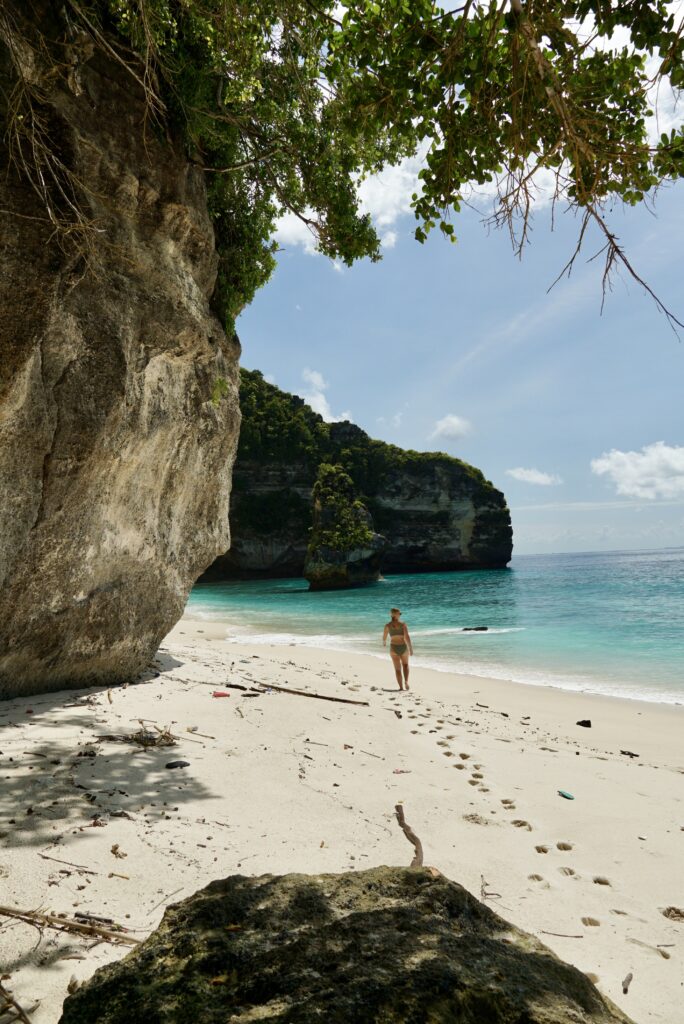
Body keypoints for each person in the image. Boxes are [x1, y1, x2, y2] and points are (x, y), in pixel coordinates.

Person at [382, 607, 413, 691]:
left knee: (397, 669)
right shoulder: (403, 624)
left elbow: (384, 637)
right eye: (399, 613)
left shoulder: (387, 625)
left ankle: (401, 687)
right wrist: (410, 648)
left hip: (393, 648)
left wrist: (384, 642)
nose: (400, 615)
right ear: (396, 615)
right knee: (405, 665)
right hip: (403, 646)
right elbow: (407, 637)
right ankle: (406, 681)